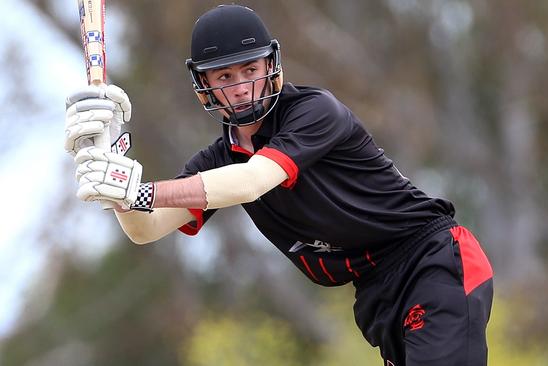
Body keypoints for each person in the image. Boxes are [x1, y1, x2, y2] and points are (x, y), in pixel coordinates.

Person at [64, 4, 494, 365]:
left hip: (433, 260)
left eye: (249, 69)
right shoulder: (217, 160)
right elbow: (147, 229)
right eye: (225, 77)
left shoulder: (314, 111)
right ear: (204, 88)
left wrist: (137, 189)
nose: (242, 87)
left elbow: (252, 181)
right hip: (376, 290)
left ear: (271, 66)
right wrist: (114, 170)